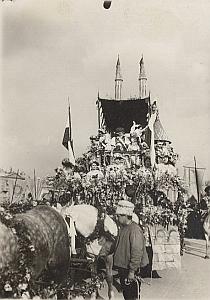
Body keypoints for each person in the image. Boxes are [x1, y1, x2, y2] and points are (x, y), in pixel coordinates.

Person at [114, 200, 149, 300]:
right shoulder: (123, 228)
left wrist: (132, 271)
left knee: (132, 296)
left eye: (119, 216)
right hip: (124, 268)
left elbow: (137, 252)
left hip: (130, 269)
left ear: (126, 215)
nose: (117, 218)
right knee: (127, 295)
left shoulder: (134, 230)